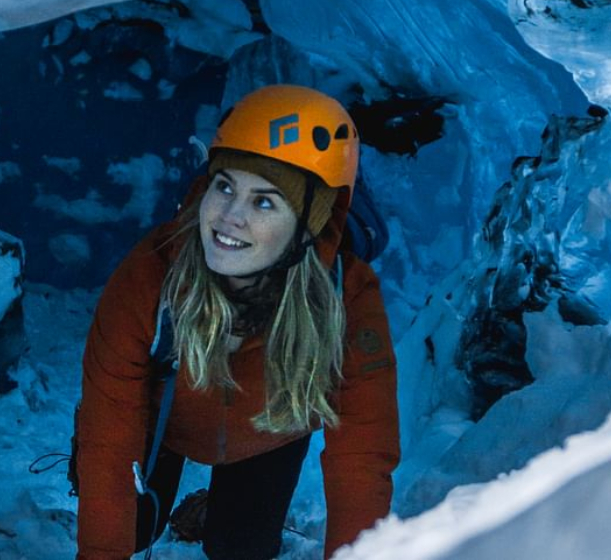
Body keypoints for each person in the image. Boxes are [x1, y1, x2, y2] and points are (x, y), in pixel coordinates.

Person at [76, 85, 399, 560]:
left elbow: (362, 461)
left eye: (264, 202)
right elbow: (108, 439)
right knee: (132, 524)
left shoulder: (346, 300)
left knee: (240, 548)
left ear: (307, 224)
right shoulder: (151, 278)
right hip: (163, 419)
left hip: (268, 432)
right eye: (224, 186)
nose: (230, 217)